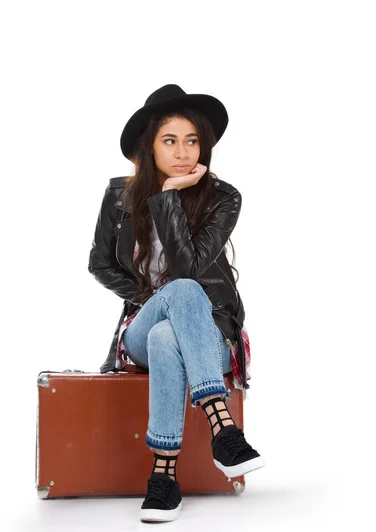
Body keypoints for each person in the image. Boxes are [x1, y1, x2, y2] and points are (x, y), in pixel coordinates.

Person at [88, 84, 265, 522]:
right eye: (170, 140)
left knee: (175, 327)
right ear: (149, 146)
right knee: (172, 306)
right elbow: (100, 264)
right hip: (141, 327)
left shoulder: (223, 197)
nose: (183, 151)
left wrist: (171, 193)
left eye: (192, 141)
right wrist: (152, 298)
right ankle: (222, 429)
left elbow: (187, 268)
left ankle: (163, 477)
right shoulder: (118, 196)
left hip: (208, 330)